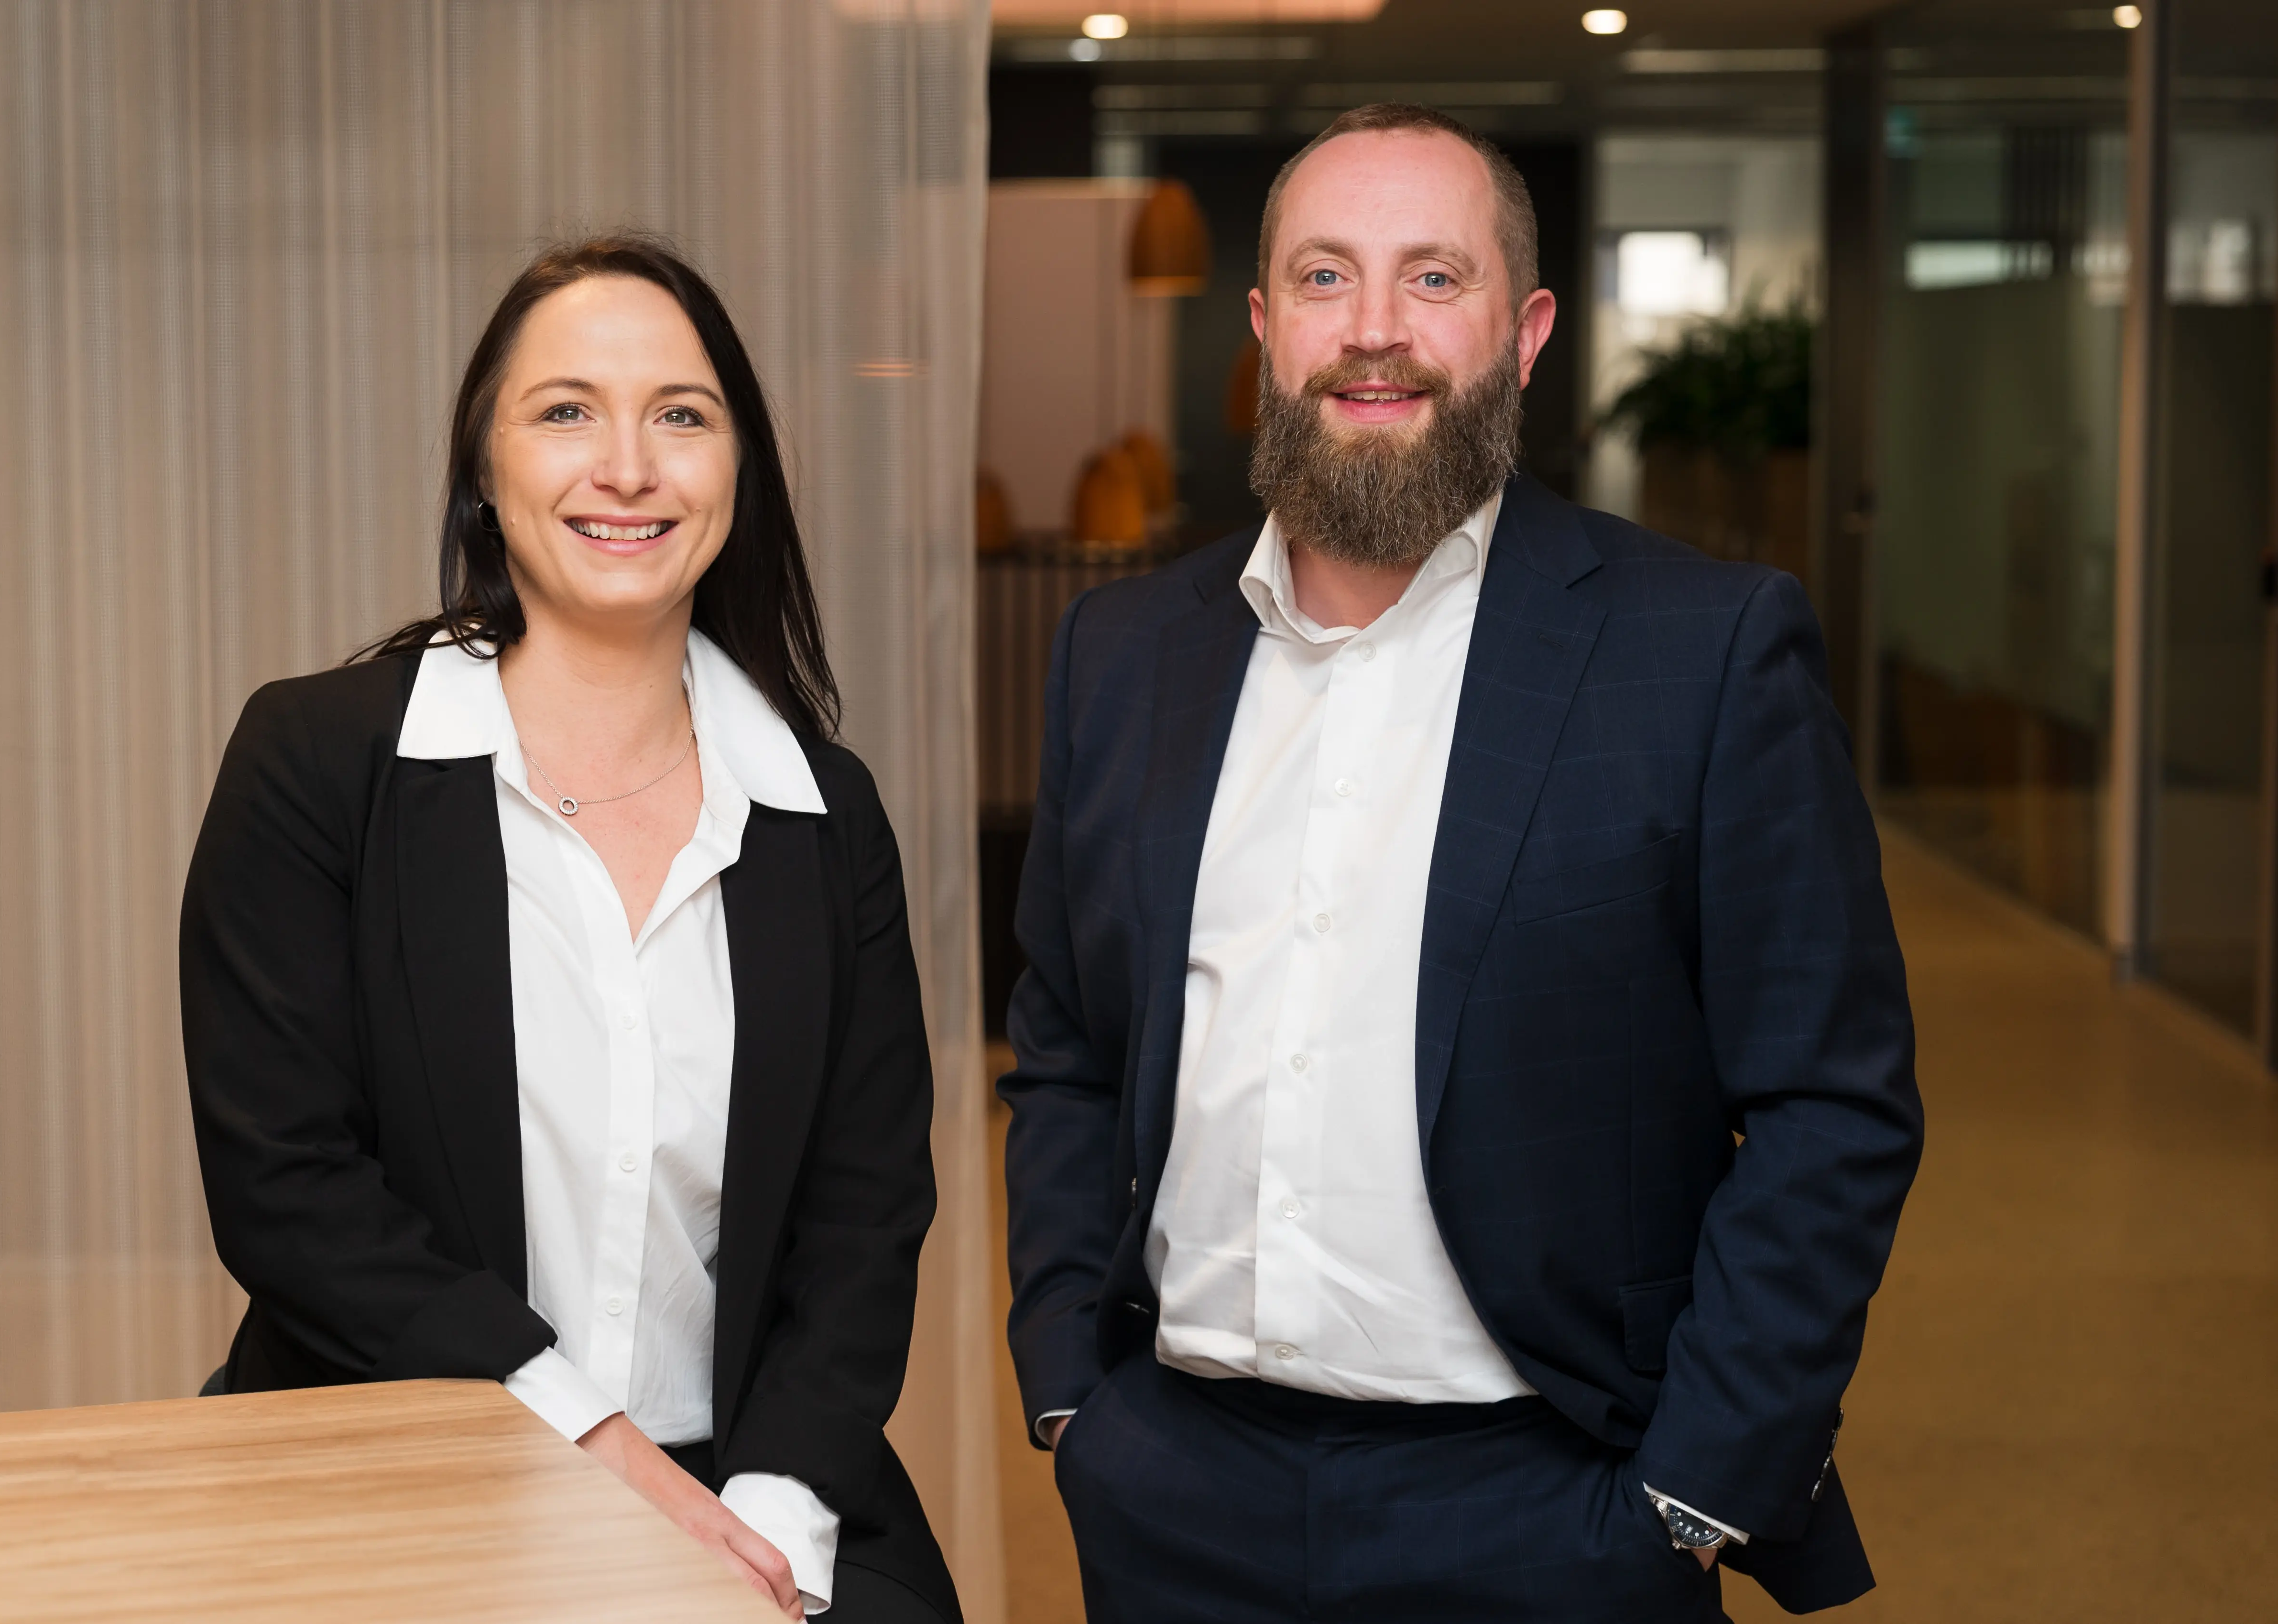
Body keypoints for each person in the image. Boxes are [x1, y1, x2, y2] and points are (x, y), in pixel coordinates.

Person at [998, 103, 1923, 1622]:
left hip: (1552, 1510)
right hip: (1176, 1500)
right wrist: (1072, 1397)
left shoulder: (1702, 648)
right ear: (1260, 325)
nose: (1374, 334)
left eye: (1432, 278)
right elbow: (1065, 1048)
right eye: (1322, 279)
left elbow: (1832, 1101)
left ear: (1525, 328)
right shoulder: (1123, 652)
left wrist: (1687, 1491)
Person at [182, 235, 958, 1624]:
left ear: (738, 470)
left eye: (680, 414)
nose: (627, 466)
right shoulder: (316, 761)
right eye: (564, 412)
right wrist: (594, 1447)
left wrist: (761, 1529)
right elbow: (286, 1187)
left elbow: (865, 1214)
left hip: (743, 1474)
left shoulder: (823, 811)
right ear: (486, 469)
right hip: (394, 1463)